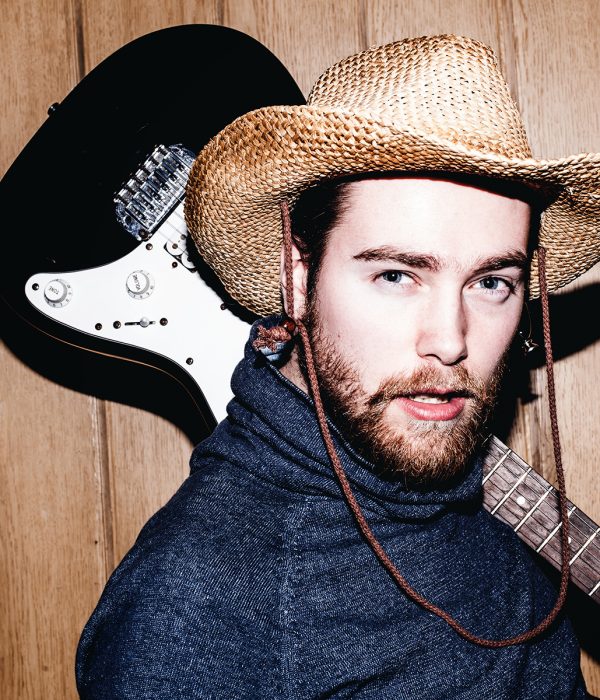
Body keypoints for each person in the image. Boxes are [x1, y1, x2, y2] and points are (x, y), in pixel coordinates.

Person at [76, 35, 600, 698]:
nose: (450, 342)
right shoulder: (197, 609)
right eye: (396, 275)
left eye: (491, 282)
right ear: (299, 277)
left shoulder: (465, 490)